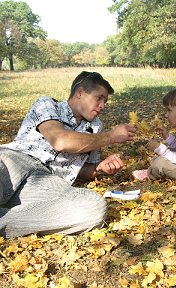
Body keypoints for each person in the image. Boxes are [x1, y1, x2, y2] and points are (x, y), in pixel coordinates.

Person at [0, 71, 136, 238]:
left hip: (47, 181)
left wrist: (100, 167)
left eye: (105, 101)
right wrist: (111, 136)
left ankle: (5, 221)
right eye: (99, 98)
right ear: (80, 93)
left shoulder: (95, 127)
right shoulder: (47, 104)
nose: (102, 106)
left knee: (93, 208)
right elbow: (60, 141)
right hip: (15, 159)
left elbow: (83, 170)